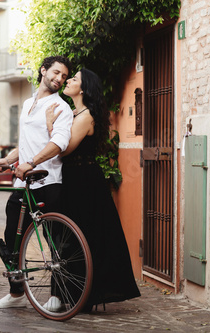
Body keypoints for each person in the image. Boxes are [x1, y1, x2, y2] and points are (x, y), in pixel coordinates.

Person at [45, 68, 141, 311]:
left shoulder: (86, 116)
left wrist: (49, 126)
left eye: (73, 79)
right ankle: (70, 293)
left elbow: (65, 149)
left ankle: (83, 294)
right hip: (75, 177)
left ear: (84, 89)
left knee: (81, 235)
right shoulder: (75, 112)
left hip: (83, 181)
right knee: (69, 236)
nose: (67, 81)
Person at [0, 56, 74, 309]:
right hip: (23, 186)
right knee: (12, 239)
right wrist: (8, 159)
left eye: (64, 77)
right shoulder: (28, 103)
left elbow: (59, 143)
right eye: (56, 73)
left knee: (55, 242)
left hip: (48, 182)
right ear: (43, 70)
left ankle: (57, 296)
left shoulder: (62, 107)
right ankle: (16, 293)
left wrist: (32, 163)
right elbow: (27, 143)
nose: (59, 79)